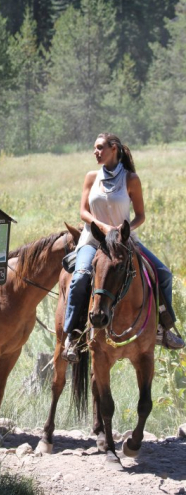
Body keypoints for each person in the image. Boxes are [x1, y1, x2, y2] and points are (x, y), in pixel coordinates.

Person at [61, 133, 184, 362]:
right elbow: (83, 212)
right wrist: (105, 228)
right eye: (95, 148)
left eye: (99, 148)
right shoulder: (91, 177)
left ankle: (163, 329)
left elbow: (140, 216)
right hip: (94, 240)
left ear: (114, 148)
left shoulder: (131, 179)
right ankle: (73, 335)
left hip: (124, 242)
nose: (95, 152)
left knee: (164, 274)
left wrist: (123, 230)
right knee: (79, 278)